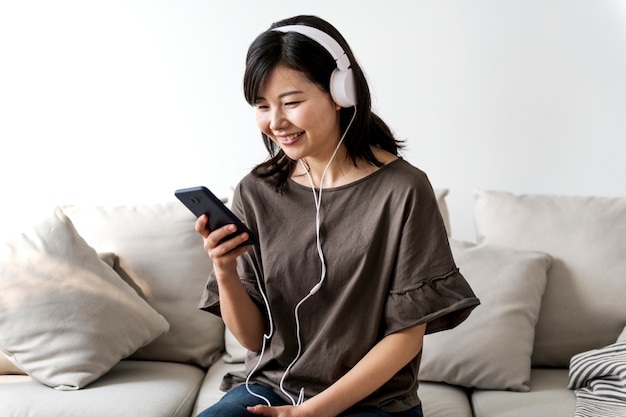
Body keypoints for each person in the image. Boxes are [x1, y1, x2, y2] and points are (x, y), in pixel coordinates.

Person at [195, 15, 479, 417]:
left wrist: (313, 412)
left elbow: (407, 337)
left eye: (291, 102)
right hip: (271, 392)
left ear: (340, 93)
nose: (275, 122)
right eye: (262, 106)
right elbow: (256, 340)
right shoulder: (255, 191)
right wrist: (224, 271)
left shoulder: (402, 190)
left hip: (375, 402)